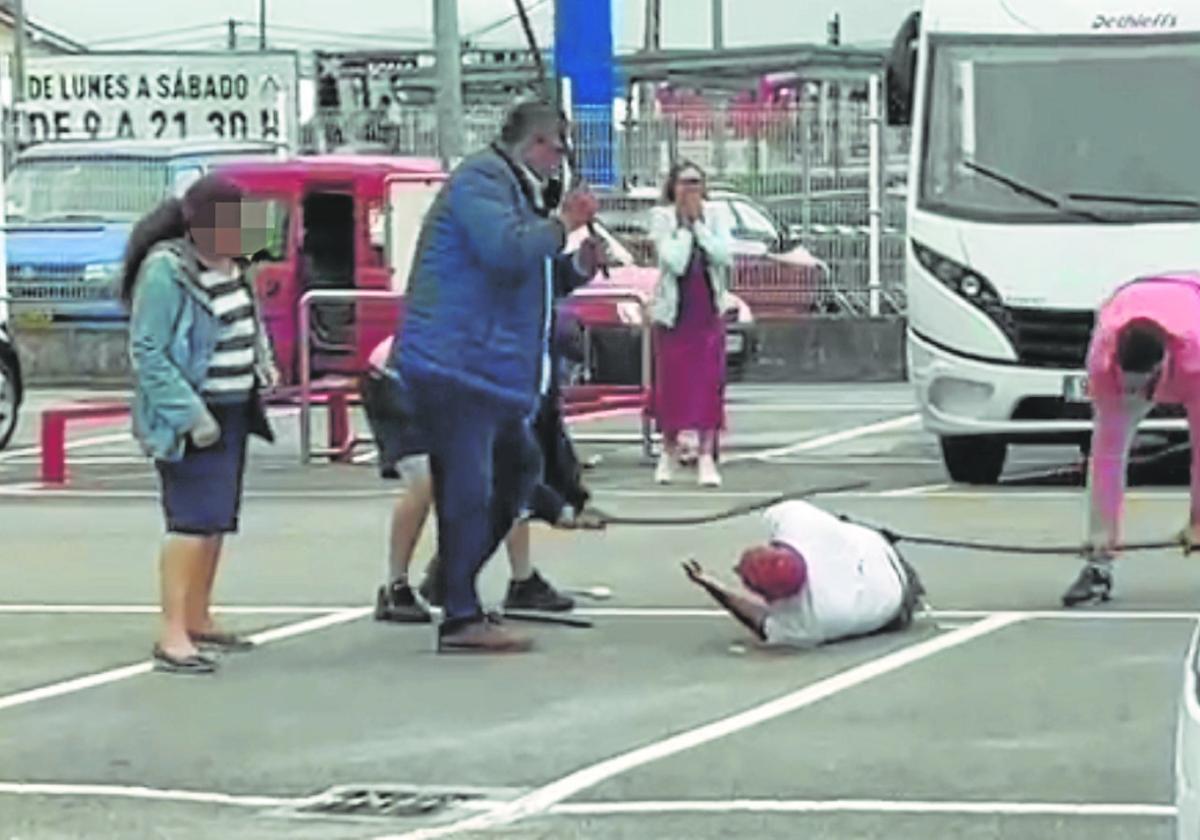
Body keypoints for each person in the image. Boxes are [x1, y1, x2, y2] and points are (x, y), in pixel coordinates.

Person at [395, 100, 605, 653]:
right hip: (456, 361)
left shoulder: (513, 190)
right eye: (557, 149)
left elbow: (532, 274)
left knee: (518, 467)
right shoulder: (481, 182)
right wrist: (564, 225)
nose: (560, 162)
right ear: (535, 144)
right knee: (470, 483)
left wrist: (577, 265)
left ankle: (452, 577)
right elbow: (506, 253)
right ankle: (460, 614)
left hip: (487, 368)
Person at [123, 174, 278, 675]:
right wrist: (190, 414)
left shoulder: (238, 257)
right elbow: (149, 351)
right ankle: (172, 634)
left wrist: (263, 365)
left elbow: (248, 316)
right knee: (190, 521)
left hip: (234, 405)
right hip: (193, 411)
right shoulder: (166, 270)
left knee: (216, 519)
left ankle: (198, 616)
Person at [360, 337, 597, 624]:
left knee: (510, 473)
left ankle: (520, 579)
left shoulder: (524, 364)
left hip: (443, 381)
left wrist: (570, 501)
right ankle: (395, 587)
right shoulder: (510, 369)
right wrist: (559, 508)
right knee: (425, 478)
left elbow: (537, 446)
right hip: (395, 381)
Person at [1064, 272, 1200, 607]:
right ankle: (1098, 566)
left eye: (1141, 386)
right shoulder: (1103, 361)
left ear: (1165, 361)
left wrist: (1198, 520)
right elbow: (1108, 457)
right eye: (1129, 384)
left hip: (1191, 306)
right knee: (1108, 445)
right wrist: (1102, 536)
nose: (1135, 393)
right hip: (1129, 299)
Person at [681, 501, 927, 648]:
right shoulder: (798, 520)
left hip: (894, 601)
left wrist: (712, 586)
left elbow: (756, 620)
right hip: (877, 549)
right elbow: (777, 511)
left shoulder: (809, 622)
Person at [649, 161, 735, 488]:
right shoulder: (662, 217)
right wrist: (684, 228)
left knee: (708, 385)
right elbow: (674, 261)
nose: (691, 190)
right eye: (684, 183)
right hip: (676, 314)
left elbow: (723, 254)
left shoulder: (715, 215)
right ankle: (668, 451)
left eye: (696, 183)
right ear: (672, 186)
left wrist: (699, 226)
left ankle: (706, 455)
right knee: (672, 385)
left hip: (707, 311)